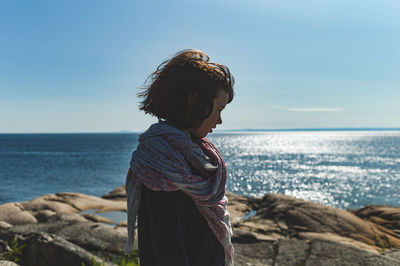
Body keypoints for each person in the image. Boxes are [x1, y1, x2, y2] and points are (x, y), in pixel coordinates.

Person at [125, 49, 235, 266]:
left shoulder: (194, 154)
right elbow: (168, 250)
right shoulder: (161, 163)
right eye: (218, 109)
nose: (220, 120)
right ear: (194, 101)